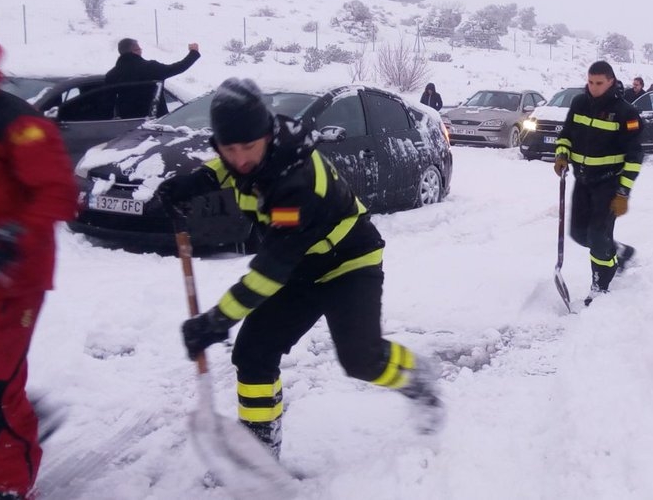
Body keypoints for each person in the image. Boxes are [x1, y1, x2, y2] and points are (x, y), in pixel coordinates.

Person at [155, 78, 444, 457]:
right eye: (229, 148)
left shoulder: (297, 181)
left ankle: (415, 377)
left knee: (361, 358)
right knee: (254, 353)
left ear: (268, 136)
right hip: (300, 267)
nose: (240, 157)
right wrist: (195, 182)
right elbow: (236, 170)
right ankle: (259, 447)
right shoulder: (256, 153)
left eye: (248, 147)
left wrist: (216, 320)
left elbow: (270, 270)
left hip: (348, 263)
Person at [0, 38, 78, 500]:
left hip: (9, 281)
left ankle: (8, 484)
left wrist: (8, 238)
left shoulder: (18, 123)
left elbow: (59, 192)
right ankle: (23, 413)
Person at [552, 61, 643, 306]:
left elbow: (635, 157)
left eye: (599, 83)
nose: (593, 88)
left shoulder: (626, 113)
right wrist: (562, 154)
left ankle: (599, 287)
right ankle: (620, 253)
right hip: (583, 180)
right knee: (579, 233)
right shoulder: (579, 103)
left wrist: (623, 192)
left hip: (609, 183)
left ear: (611, 81)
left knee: (598, 236)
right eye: (590, 82)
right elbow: (566, 135)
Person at [104, 38, 201, 118]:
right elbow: (177, 68)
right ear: (135, 51)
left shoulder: (111, 75)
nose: (141, 51)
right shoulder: (151, 67)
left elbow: (108, 104)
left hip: (128, 126)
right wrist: (193, 53)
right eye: (140, 49)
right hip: (156, 124)